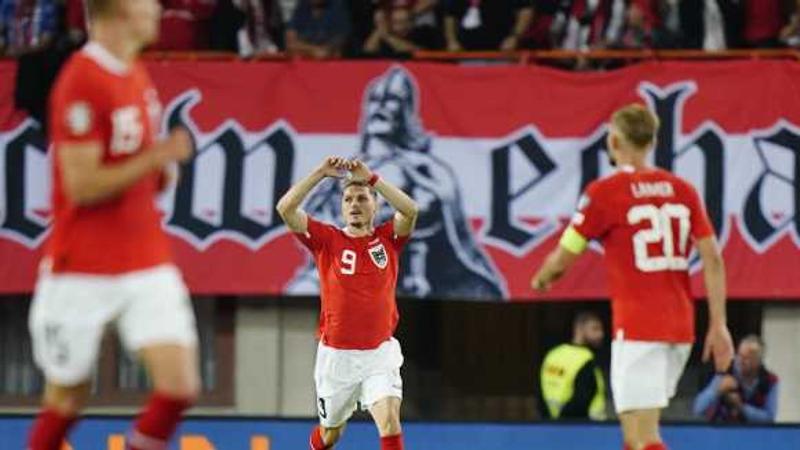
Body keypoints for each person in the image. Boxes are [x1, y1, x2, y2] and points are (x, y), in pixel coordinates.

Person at [26, 1, 199, 450]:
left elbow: (139, 168)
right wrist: (157, 157)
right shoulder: (81, 79)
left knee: (180, 385)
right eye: (146, 3)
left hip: (145, 259)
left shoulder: (135, 72)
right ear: (119, 12)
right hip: (81, 263)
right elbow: (82, 185)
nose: (158, 9)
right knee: (67, 395)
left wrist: (159, 171)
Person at [531, 104, 733, 450]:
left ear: (613, 140)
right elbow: (712, 258)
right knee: (634, 435)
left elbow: (564, 257)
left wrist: (542, 279)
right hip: (680, 326)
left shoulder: (604, 193)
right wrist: (719, 324)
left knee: (644, 437)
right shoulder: (683, 190)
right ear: (652, 142)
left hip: (640, 326)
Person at [277, 156, 418, 450]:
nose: (355, 204)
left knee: (390, 420)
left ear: (375, 205)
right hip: (337, 358)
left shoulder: (388, 238)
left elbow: (410, 209)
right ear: (341, 207)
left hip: (379, 354)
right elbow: (285, 208)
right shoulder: (327, 240)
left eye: (363, 198)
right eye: (349, 199)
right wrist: (319, 172)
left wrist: (373, 178)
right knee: (331, 435)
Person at [693, 335, 779, 423]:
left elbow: (769, 418)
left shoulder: (770, 381)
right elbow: (698, 408)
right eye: (739, 355)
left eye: (746, 358)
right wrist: (717, 390)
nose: (740, 361)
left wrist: (741, 407)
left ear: (758, 361)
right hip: (723, 430)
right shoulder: (725, 373)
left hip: (754, 433)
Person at [540, 312, 607, 421]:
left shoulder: (553, 354)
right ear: (579, 329)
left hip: (551, 425)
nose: (600, 334)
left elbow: (540, 397)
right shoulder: (586, 359)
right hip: (586, 428)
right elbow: (581, 399)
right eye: (595, 329)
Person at [444, 0, 534, 51]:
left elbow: (526, 11)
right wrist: (451, 40)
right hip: (466, 52)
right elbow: (450, 16)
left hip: (502, 51)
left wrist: (514, 37)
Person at [285, 0, 351, 59]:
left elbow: (336, 49)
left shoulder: (338, 7)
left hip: (329, 64)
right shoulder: (302, 6)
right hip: (303, 62)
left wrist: (302, 48)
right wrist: (313, 50)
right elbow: (290, 44)